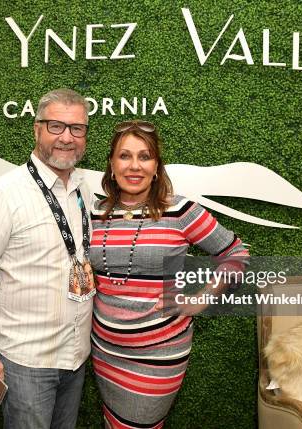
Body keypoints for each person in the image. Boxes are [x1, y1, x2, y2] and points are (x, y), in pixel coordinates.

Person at [88, 120, 250, 428]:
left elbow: (236, 253)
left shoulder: (179, 211)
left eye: (144, 156)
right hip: (104, 351)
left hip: (158, 356)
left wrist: (200, 301)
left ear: (156, 166)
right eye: (124, 156)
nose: (134, 166)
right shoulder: (96, 212)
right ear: (111, 164)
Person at [0, 88, 94, 429]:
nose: (67, 137)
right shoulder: (5, 192)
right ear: (36, 129)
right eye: (56, 126)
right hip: (26, 363)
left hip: (76, 356)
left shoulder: (84, 188)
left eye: (76, 128)